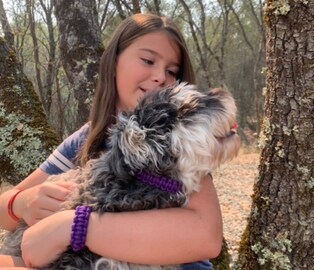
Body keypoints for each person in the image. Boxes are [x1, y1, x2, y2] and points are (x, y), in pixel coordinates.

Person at [0, 13, 222, 269]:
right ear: (114, 61)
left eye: (171, 71)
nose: (161, 76)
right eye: (148, 60)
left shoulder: (177, 143)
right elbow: (3, 211)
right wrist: (22, 203)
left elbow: (206, 237)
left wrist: (73, 226)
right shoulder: (87, 138)